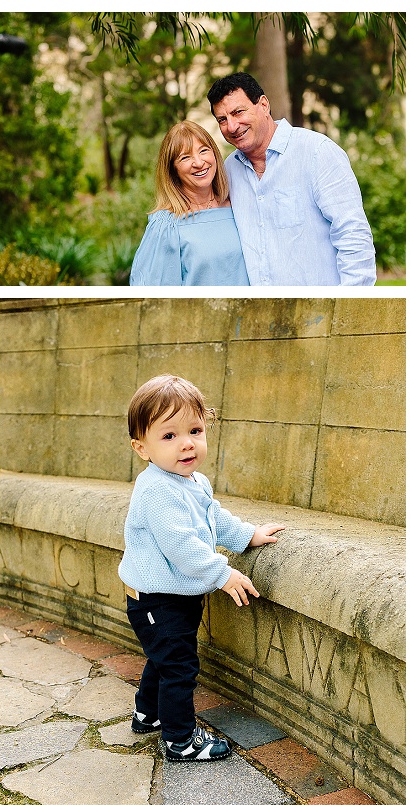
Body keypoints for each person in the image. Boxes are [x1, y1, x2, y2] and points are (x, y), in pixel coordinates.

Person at [117, 374, 284, 762]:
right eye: (169, 436)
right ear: (142, 448)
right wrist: (223, 574)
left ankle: (148, 713)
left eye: (194, 429)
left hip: (173, 595)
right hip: (157, 599)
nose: (186, 443)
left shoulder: (193, 481)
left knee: (166, 656)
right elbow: (182, 546)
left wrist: (248, 536)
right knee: (179, 666)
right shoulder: (157, 489)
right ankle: (179, 740)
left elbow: (213, 519)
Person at [208, 72, 376, 285]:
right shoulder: (228, 170)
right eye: (222, 120)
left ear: (263, 105)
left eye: (238, 112)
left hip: (321, 310)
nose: (231, 126)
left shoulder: (317, 152)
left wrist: (351, 308)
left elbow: (354, 236)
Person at [130, 122, 250, 285]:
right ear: (173, 170)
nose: (199, 162)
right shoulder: (166, 225)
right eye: (185, 157)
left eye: (203, 151)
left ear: (214, 153)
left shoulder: (239, 206)